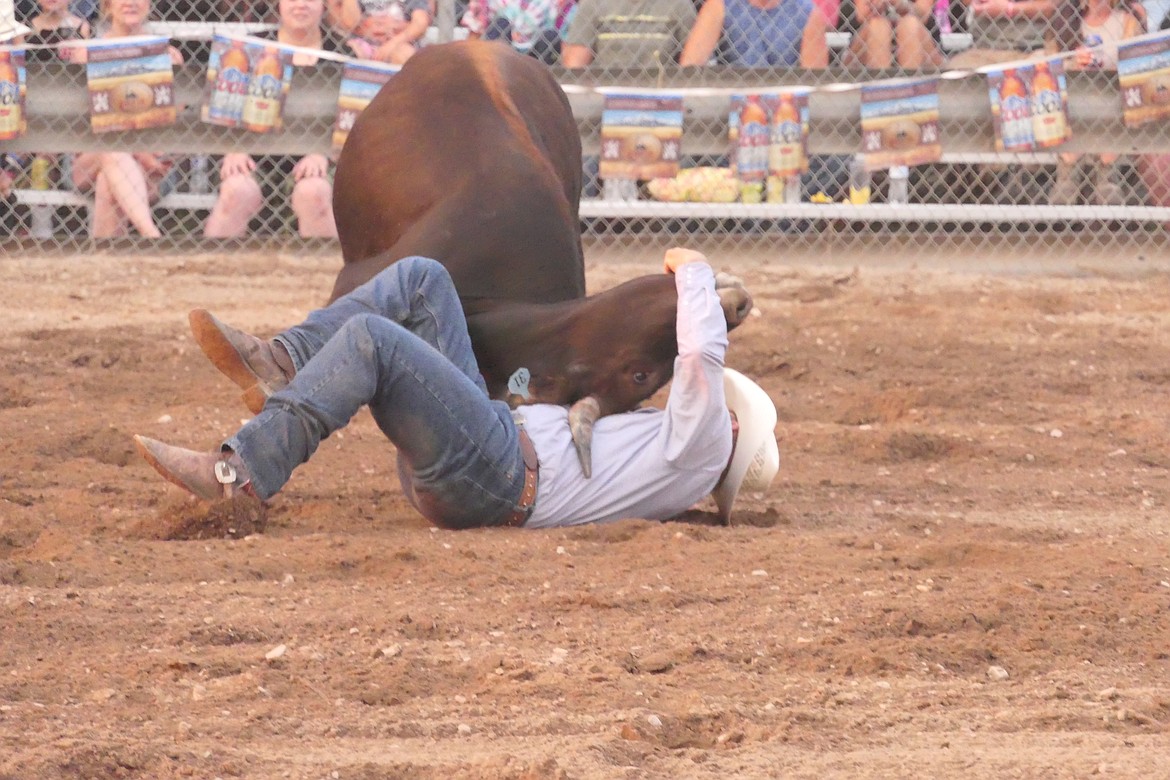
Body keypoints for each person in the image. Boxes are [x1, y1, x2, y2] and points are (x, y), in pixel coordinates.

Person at [133, 250, 780, 529]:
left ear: (732, 434)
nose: (721, 409)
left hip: (495, 470)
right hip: (492, 454)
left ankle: (239, 474)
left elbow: (700, 352)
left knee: (372, 341)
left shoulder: (698, 447)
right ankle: (285, 359)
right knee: (423, 280)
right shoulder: (680, 463)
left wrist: (694, 272)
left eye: (731, 414)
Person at [203, 0, 343, 238]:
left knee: (313, 192)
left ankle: (323, 273)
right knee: (236, 190)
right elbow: (224, 108)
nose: (301, 5)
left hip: (316, 160)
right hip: (254, 156)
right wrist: (233, 148)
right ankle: (206, 268)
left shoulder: (340, 53)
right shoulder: (251, 46)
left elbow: (350, 121)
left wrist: (322, 153)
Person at [65, 0, 182, 239]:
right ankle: (152, 238)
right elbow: (80, 128)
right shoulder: (86, 53)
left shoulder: (168, 57)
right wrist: (138, 151)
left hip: (150, 166)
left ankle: (110, 266)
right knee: (112, 150)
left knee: (108, 182)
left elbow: (173, 125)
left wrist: (148, 154)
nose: (130, 2)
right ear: (107, 5)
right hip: (90, 158)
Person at [1050, 0, 1141, 204]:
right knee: (1062, 98)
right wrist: (1074, 61)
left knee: (1116, 101)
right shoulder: (1066, 20)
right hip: (1076, 95)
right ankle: (1067, 171)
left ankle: (1106, 172)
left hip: (1113, 94)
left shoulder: (1127, 21)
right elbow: (1050, 66)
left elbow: (1136, 64)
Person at [561, 0, 699, 68]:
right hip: (605, 94)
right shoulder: (593, 4)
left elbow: (694, 66)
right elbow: (575, 66)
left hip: (662, 94)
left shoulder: (679, 5)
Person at [946, 0, 1058, 68]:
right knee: (955, 72)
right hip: (984, 50)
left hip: (1033, 48)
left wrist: (1009, 9)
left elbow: (1054, 8)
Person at [460, 0, 564, 64]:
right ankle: (494, 67)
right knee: (501, 23)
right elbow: (475, 31)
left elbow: (551, 27)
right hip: (502, 48)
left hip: (533, 50)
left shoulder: (549, 2)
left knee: (551, 35)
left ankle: (541, 75)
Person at [845, 0, 944, 68]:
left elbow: (923, 14)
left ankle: (909, 90)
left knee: (909, 25)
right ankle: (880, 90)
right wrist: (877, 5)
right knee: (878, 26)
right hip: (869, 35)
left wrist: (901, 3)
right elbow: (862, 15)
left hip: (918, 34)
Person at [328, 0, 430, 64]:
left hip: (398, 42)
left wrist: (392, 44)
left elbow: (420, 23)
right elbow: (350, 22)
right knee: (352, 51)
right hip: (362, 42)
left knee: (404, 54)